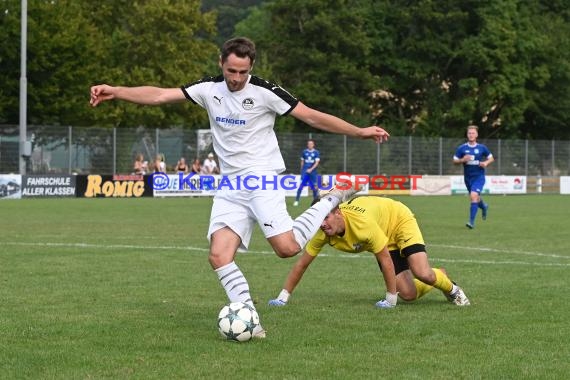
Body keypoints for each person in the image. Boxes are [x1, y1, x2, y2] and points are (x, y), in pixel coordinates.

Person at [90, 37, 389, 338]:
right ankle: (251, 321)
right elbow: (158, 95)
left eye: (242, 72)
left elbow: (311, 115)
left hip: (262, 178)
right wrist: (116, 91)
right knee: (219, 256)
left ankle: (334, 196)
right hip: (230, 184)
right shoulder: (208, 89)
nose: (236, 79)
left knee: (287, 249)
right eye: (231, 71)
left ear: (251, 67)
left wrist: (360, 131)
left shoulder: (266, 92)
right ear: (221, 62)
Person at [269, 196, 470, 308]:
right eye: (319, 220)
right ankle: (440, 275)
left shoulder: (362, 225)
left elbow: (385, 261)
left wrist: (390, 300)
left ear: (338, 212)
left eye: (326, 218)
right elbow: (302, 264)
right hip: (383, 233)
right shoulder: (322, 233)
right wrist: (282, 297)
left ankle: (453, 290)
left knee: (422, 272)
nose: (322, 224)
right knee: (408, 294)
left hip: (399, 220)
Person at [453, 125, 494, 229]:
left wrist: (485, 163)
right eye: (469, 133)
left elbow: (491, 158)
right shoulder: (462, 148)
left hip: (479, 177)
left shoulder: (482, 148)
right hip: (468, 178)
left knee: (473, 195)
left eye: (473, 133)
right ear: (467, 135)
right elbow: (454, 161)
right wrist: (463, 160)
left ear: (476, 135)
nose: (471, 135)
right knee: (475, 197)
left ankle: (471, 222)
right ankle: (484, 206)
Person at [293, 139, 320, 206]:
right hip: (305, 171)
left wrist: (311, 169)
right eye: (309, 144)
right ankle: (296, 201)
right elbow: (302, 161)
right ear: (307, 145)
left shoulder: (316, 152)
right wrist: (302, 170)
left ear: (313, 145)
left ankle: (315, 201)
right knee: (301, 185)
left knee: (314, 187)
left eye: (311, 144)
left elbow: (317, 163)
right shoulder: (304, 152)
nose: (310, 145)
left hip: (313, 171)